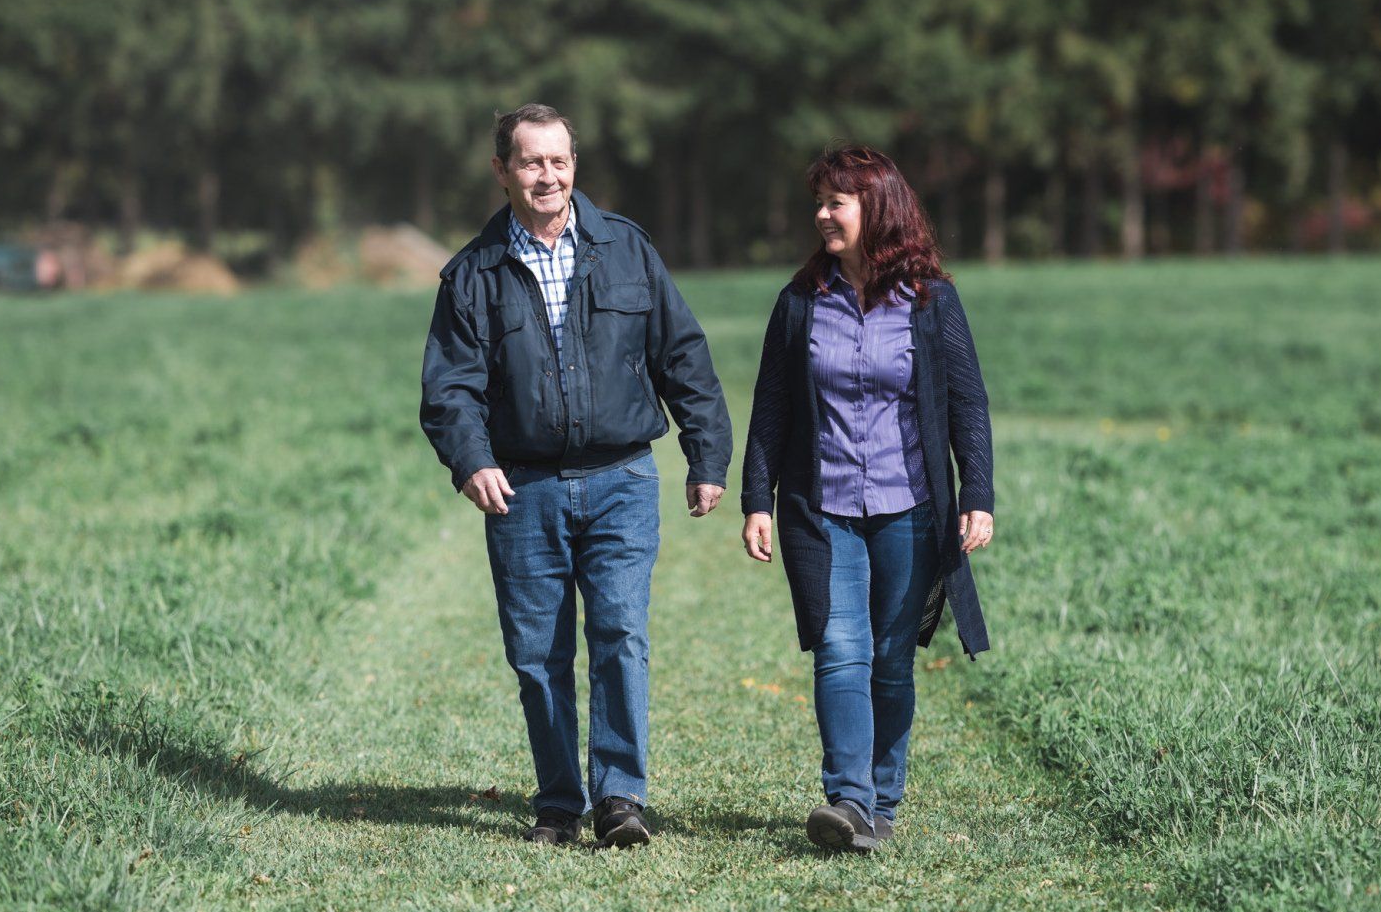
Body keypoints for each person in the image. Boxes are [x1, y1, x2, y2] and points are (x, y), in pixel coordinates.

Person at [421, 103, 730, 848]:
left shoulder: (626, 248)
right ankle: (559, 800)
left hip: (622, 476)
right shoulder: (472, 274)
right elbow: (448, 389)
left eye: (558, 160)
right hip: (522, 489)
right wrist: (472, 459)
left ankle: (620, 797)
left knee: (621, 631)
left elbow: (681, 353)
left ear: (574, 164)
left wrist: (707, 453)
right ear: (503, 172)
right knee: (538, 653)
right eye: (531, 162)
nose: (547, 175)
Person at [739, 144, 994, 854]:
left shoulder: (931, 300)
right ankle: (847, 799)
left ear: (877, 207)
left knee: (890, 656)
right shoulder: (799, 302)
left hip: (910, 505)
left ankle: (882, 800)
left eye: (835, 201)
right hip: (822, 509)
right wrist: (756, 496)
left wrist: (977, 490)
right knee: (840, 647)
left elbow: (968, 402)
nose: (821, 214)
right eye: (818, 201)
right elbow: (772, 407)